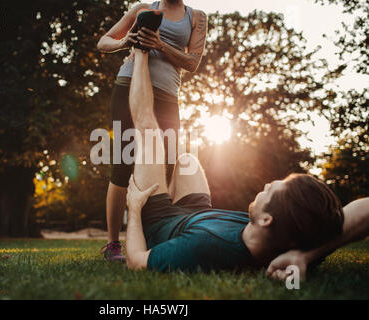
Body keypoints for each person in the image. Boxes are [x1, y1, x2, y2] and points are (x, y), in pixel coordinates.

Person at [124, 47, 369, 279]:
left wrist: (134, 208)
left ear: (266, 220)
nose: (269, 183)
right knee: (187, 159)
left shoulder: (204, 248)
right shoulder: (292, 238)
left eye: (273, 188)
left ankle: (140, 53)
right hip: (199, 215)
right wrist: (307, 255)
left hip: (162, 223)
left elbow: (136, 263)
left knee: (149, 131)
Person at [97, 0, 208, 262]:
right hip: (128, 85)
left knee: (167, 165)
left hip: (168, 95)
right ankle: (113, 245)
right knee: (123, 164)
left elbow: (192, 62)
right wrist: (126, 42)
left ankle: (156, 234)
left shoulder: (197, 18)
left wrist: (159, 45)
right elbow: (103, 42)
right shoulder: (142, 8)